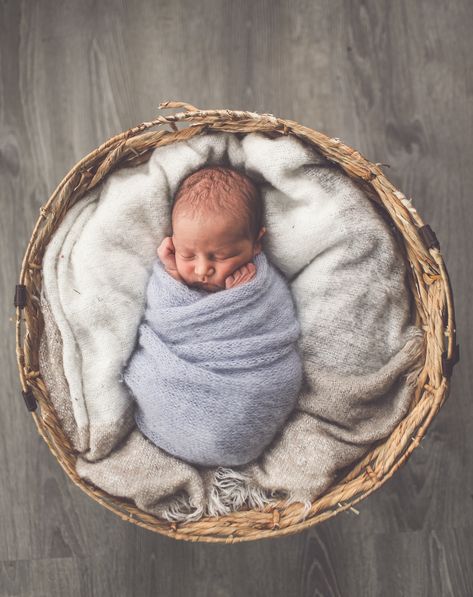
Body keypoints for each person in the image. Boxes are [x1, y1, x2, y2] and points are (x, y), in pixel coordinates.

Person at [158, 166, 266, 292]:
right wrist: (173, 274)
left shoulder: (261, 279)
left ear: (256, 244)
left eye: (221, 256)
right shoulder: (170, 272)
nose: (201, 270)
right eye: (187, 255)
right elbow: (161, 309)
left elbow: (276, 308)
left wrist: (242, 295)